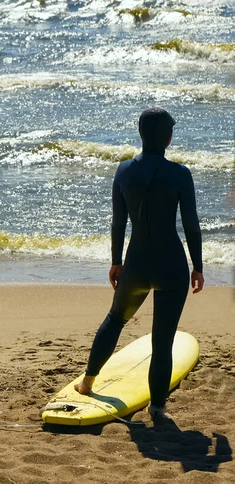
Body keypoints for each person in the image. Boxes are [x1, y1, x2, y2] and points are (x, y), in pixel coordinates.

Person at [74, 108, 204, 420]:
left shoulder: (123, 171)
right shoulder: (180, 175)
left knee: (116, 320)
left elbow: (118, 223)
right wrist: (198, 266)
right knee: (163, 341)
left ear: (141, 134)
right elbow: (191, 225)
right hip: (171, 267)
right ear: (167, 137)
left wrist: (116, 261)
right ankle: (157, 408)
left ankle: (88, 383)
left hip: (136, 264)